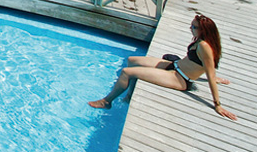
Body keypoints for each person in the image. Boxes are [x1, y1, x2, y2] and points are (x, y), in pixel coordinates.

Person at [88, 14, 235, 120]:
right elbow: (203, 66)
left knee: (127, 72)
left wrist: (218, 104)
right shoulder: (200, 40)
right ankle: (129, 96)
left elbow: (209, 71)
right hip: (174, 66)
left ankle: (106, 102)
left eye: (194, 27)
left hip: (179, 78)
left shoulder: (204, 46)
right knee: (132, 60)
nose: (191, 28)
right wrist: (215, 78)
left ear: (204, 30)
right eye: (191, 25)